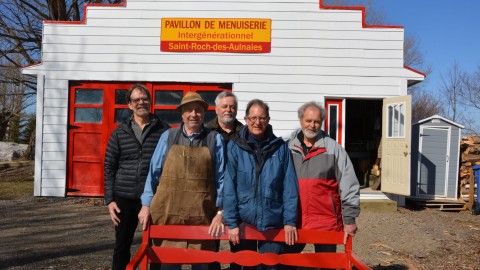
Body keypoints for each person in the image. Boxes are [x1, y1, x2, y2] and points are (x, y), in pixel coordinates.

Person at [138, 92, 225, 270]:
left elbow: (222, 178)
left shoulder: (214, 139)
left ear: (204, 114)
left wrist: (220, 212)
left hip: (201, 217)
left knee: (202, 264)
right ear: (182, 114)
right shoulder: (168, 137)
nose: (194, 114)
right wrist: (146, 205)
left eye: (198, 110)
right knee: (168, 264)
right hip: (169, 215)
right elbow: (153, 173)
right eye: (189, 110)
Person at [223, 99, 299, 270]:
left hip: (273, 223)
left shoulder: (280, 148)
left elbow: (290, 188)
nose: (258, 122)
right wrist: (232, 223)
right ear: (246, 119)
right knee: (242, 266)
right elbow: (229, 187)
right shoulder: (235, 147)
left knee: (270, 267)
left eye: (262, 118)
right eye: (253, 118)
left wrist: (290, 221)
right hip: (243, 222)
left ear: (268, 119)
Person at [104, 83, 169, 270]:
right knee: (122, 246)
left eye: (144, 99)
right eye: (136, 100)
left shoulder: (163, 130)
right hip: (124, 197)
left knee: (157, 245)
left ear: (150, 102)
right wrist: (110, 200)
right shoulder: (119, 132)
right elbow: (109, 167)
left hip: (155, 198)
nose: (141, 102)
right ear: (130, 105)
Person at [287, 101, 360, 257]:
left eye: (316, 122)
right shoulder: (287, 148)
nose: (312, 125)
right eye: (308, 121)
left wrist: (349, 219)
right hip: (295, 219)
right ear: (301, 120)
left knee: (327, 263)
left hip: (326, 222)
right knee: (287, 262)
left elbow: (349, 184)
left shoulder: (334, 149)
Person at [205, 90, 243, 270]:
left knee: (240, 245)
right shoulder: (206, 132)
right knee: (211, 245)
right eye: (225, 106)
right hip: (213, 194)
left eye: (232, 106)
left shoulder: (245, 133)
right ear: (216, 109)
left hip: (240, 194)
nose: (229, 110)